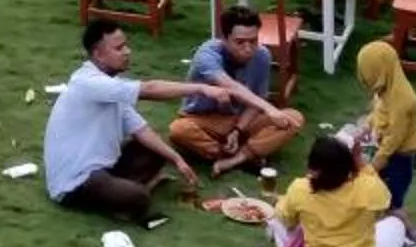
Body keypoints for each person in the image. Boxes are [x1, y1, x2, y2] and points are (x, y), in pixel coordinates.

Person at [43, 18, 257, 226]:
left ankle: (121, 192)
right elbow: (149, 89)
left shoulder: (112, 87)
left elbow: (140, 130)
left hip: (103, 167)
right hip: (76, 182)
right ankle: (127, 196)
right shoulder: (88, 83)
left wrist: (177, 160)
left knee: (155, 148)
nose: (127, 52)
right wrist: (201, 88)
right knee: (140, 199)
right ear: (98, 55)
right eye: (119, 48)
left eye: (126, 45)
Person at [253, 132, 416, 247]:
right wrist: (359, 160)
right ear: (349, 165)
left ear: (312, 166)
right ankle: (408, 244)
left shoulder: (300, 189)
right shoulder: (368, 187)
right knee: (396, 224)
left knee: (278, 219)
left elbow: (286, 220)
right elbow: (385, 201)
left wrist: (285, 203)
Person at [168, 6, 305, 178]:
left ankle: (233, 160)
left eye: (253, 41)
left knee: (293, 118)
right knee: (179, 130)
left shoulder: (262, 56)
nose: (248, 48)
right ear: (224, 39)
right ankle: (246, 154)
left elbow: (255, 100)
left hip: (241, 119)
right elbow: (231, 87)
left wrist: (238, 130)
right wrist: (270, 109)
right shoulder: (207, 55)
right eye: (240, 42)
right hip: (203, 119)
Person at [349, 39, 416, 213]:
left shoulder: (403, 101)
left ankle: (410, 235)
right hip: (387, 150)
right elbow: (378, 112)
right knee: (380, 192)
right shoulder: (385, 89)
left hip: (400, 156)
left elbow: (394, 138)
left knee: (392, 201)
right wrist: (365, 128)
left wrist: (375, 164)